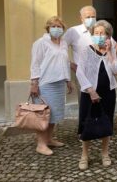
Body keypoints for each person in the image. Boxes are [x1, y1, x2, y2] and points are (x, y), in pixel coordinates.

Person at [76, 20, 117, 170]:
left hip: (108, 92)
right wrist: (90, 90)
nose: (99, 35)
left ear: (108, 35)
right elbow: (79, 71)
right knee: (86, 122)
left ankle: (105, 153)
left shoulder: (111, 48)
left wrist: (109, 53)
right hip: (89, 93)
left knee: (106, 122)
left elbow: (116, 70)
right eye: (96, 33)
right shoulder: (86, 50)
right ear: (92, 35)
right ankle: (84, 155)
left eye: (103, 33)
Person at [30, 16, 73, 156]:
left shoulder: (64, 43)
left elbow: (65, 63)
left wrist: (68, 80)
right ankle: (40, 144)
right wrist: (34, 83)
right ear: (48, 28)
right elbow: (35, 64)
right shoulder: (41, 43)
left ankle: (48, 139)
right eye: (53, 26)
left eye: (59, 26)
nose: (56, 28)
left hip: (59, 83)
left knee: (54, 114)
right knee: (44, 115)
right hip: (45, 83)